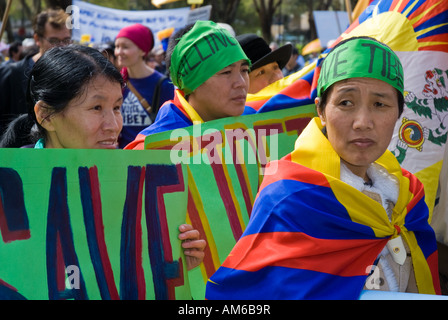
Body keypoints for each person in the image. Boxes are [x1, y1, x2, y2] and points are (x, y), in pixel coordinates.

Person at [206, 37, 441, 299]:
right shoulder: (289, 196)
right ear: (321, 111)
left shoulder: (408, 196)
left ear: (399, 113)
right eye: (345, 103)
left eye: (380, 104)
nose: (363, 122)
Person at [1, 44, 206, 269]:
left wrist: (175, 264)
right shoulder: (10, 192)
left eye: (117, 107)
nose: (114, 126)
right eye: (97, 107)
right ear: (46, 116)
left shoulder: (135, 186)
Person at [124, 20, 251, 150]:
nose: (241, 83)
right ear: (191, 82)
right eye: (226, 72)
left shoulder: (255, 127)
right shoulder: (153, 148)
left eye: (245, 70)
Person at [0, 8, 72, 133]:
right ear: (37, 39)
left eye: (66, 40)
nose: (61, 47)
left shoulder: (75, 77)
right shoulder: (11, 74)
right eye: (54, 41)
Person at [114, 23, 174, 148]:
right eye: (117, 46)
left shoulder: (163, 85)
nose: (118, 52)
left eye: (125, 47)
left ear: (142, 50)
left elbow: (169, 127)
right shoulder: (117, 82)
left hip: (150, 157)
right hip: (121, 157)